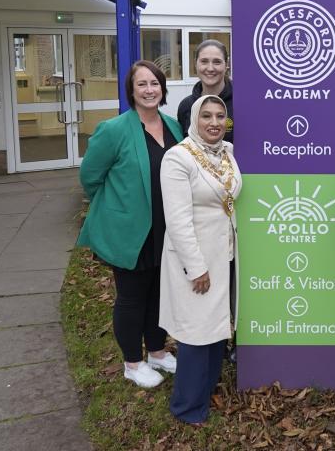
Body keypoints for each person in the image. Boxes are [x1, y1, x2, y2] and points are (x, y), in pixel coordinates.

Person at [77, 60, 183, 388]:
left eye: (155, 83)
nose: (149, 89)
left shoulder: (173, 126)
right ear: (132, 91)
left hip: (166, 228)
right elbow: (90, 178)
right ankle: (132, 363)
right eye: (142, 84)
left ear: (163, 88)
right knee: (132, 296)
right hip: (130, 232)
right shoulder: (114, 130)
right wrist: (118, 207)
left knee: (159, 294)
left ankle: (156, 351)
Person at [159, 95, 242, 426]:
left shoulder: (227, 152)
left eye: (220, 116)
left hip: (225, 255)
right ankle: (187, 407)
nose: (214, 122)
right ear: (194, 120)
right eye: (206, 116)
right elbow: (177, 221)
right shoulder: (178, 158)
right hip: (195, 260)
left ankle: (205, 393)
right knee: (195, 333)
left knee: (216, 328)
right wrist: (196, 267)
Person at [177, 39, 233, 143]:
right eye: (204, 61)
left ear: (226, 64)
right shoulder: (186, 106)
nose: (210, 68)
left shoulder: (242, 102)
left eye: (217, 62)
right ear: (196, 64)